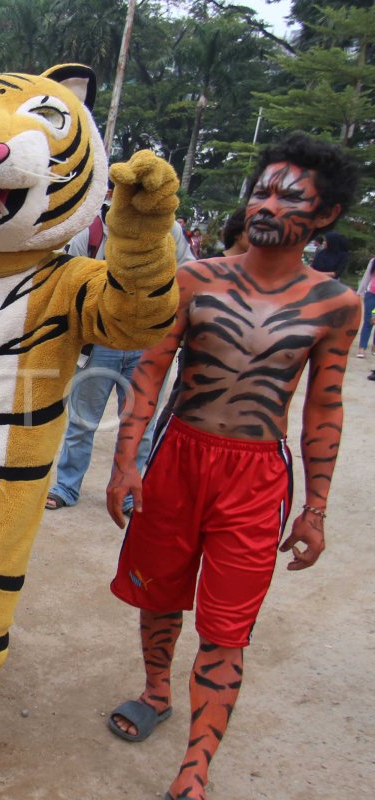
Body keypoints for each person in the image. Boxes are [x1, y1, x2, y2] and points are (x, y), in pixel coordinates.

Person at [104, 133, 361, 800]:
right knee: (158, 595)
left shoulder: (335, 304)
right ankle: (156, 690)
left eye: (289, 196)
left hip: (255, 478)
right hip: (177, 460)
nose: (266, 204)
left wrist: (317, 508)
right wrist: (126, 460)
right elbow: (151, 373)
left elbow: (324, 409)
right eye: (262, 190)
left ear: (325, 216)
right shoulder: (197, 278)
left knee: (226, 627)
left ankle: (196, 766)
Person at [45, 183, 194, 513]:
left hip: (150, 345)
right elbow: (68, 277)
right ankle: (67, 486)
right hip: (99, 342)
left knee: (140, 422)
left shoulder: (169, 230)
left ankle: (129, 490)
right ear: (113, 194)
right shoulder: (92, 231)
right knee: (83, 420)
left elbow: (188, 273)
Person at [355, 254, 375, 359]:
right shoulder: (373, 261)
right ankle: (362, 348)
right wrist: (360, 292)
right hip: (371, 295)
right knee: (368, 321)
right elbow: (367, 277)